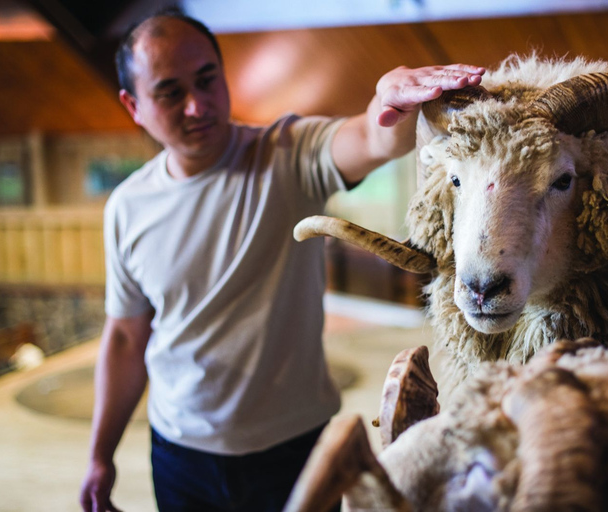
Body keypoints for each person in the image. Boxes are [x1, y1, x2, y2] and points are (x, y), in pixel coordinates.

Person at [79, 10, 484, 512]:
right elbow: (124, 336)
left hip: (295, 446)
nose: (197, 104)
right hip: (180, 453)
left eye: (208, 80)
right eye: (169, 92)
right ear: (132, 105)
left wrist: (389, 101)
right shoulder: (127, 205)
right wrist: (101, 453)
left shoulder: (287, 153)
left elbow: (369, 138)